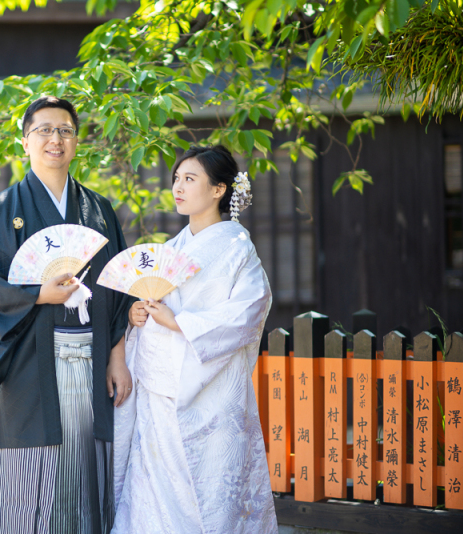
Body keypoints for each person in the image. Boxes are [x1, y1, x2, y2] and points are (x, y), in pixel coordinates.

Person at [0, 96, 133, 534]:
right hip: (30, 364)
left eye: (65, 131)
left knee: (86, 471)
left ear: (76, 142)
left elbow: (117, 287)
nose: (55, 139)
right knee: (29, 471)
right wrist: (38, 294)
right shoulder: (1, 211)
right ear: (25, 142)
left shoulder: (98, 210)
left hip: (93, 361)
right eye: (44, 130)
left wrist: (117, 356)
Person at [112, 145, 278, 533]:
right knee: (153, 490)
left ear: (219, 189)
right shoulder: (171, 249)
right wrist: (137, 314)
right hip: (158, 390)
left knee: (206, 493)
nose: (178, 187)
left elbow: (250, 310)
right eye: (176, 179)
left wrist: (180, 322)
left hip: (209, 391)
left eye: (190, 179)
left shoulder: (237, 247)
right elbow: (153, 304)